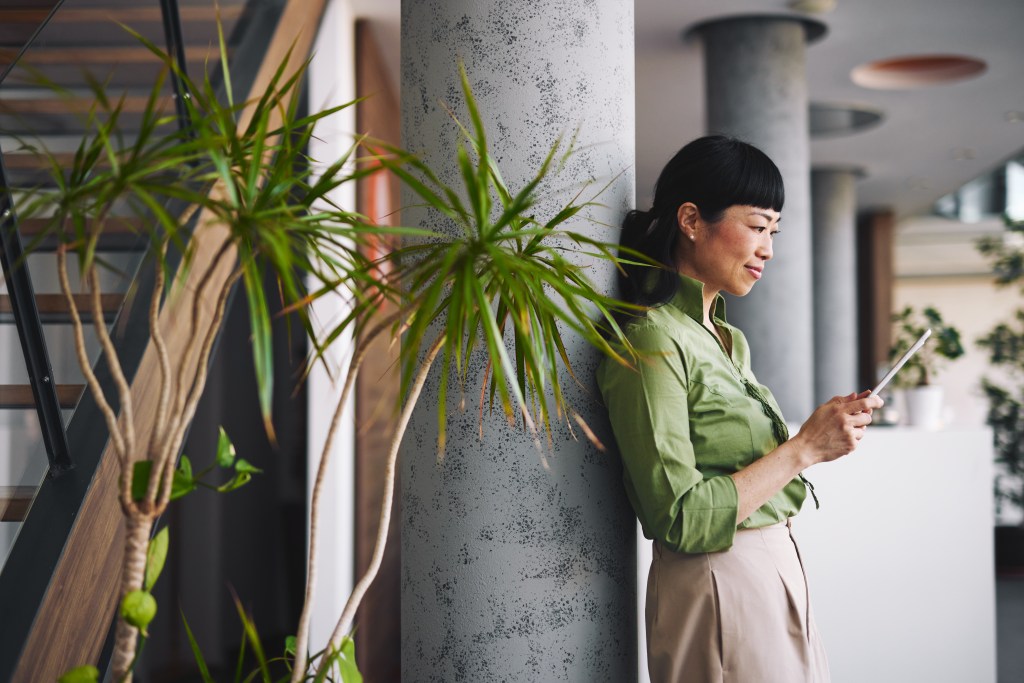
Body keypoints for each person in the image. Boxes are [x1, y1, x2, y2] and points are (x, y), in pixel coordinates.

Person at [596, 135, 882, 683]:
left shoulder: (726, 338)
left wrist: (823, 436)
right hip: (717, 582)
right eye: (756, 226)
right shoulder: (653, 340)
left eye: (774, 232)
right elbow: (675, 517)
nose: (768, 248)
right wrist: (803, 448)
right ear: (691, 220)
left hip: (773, 567)